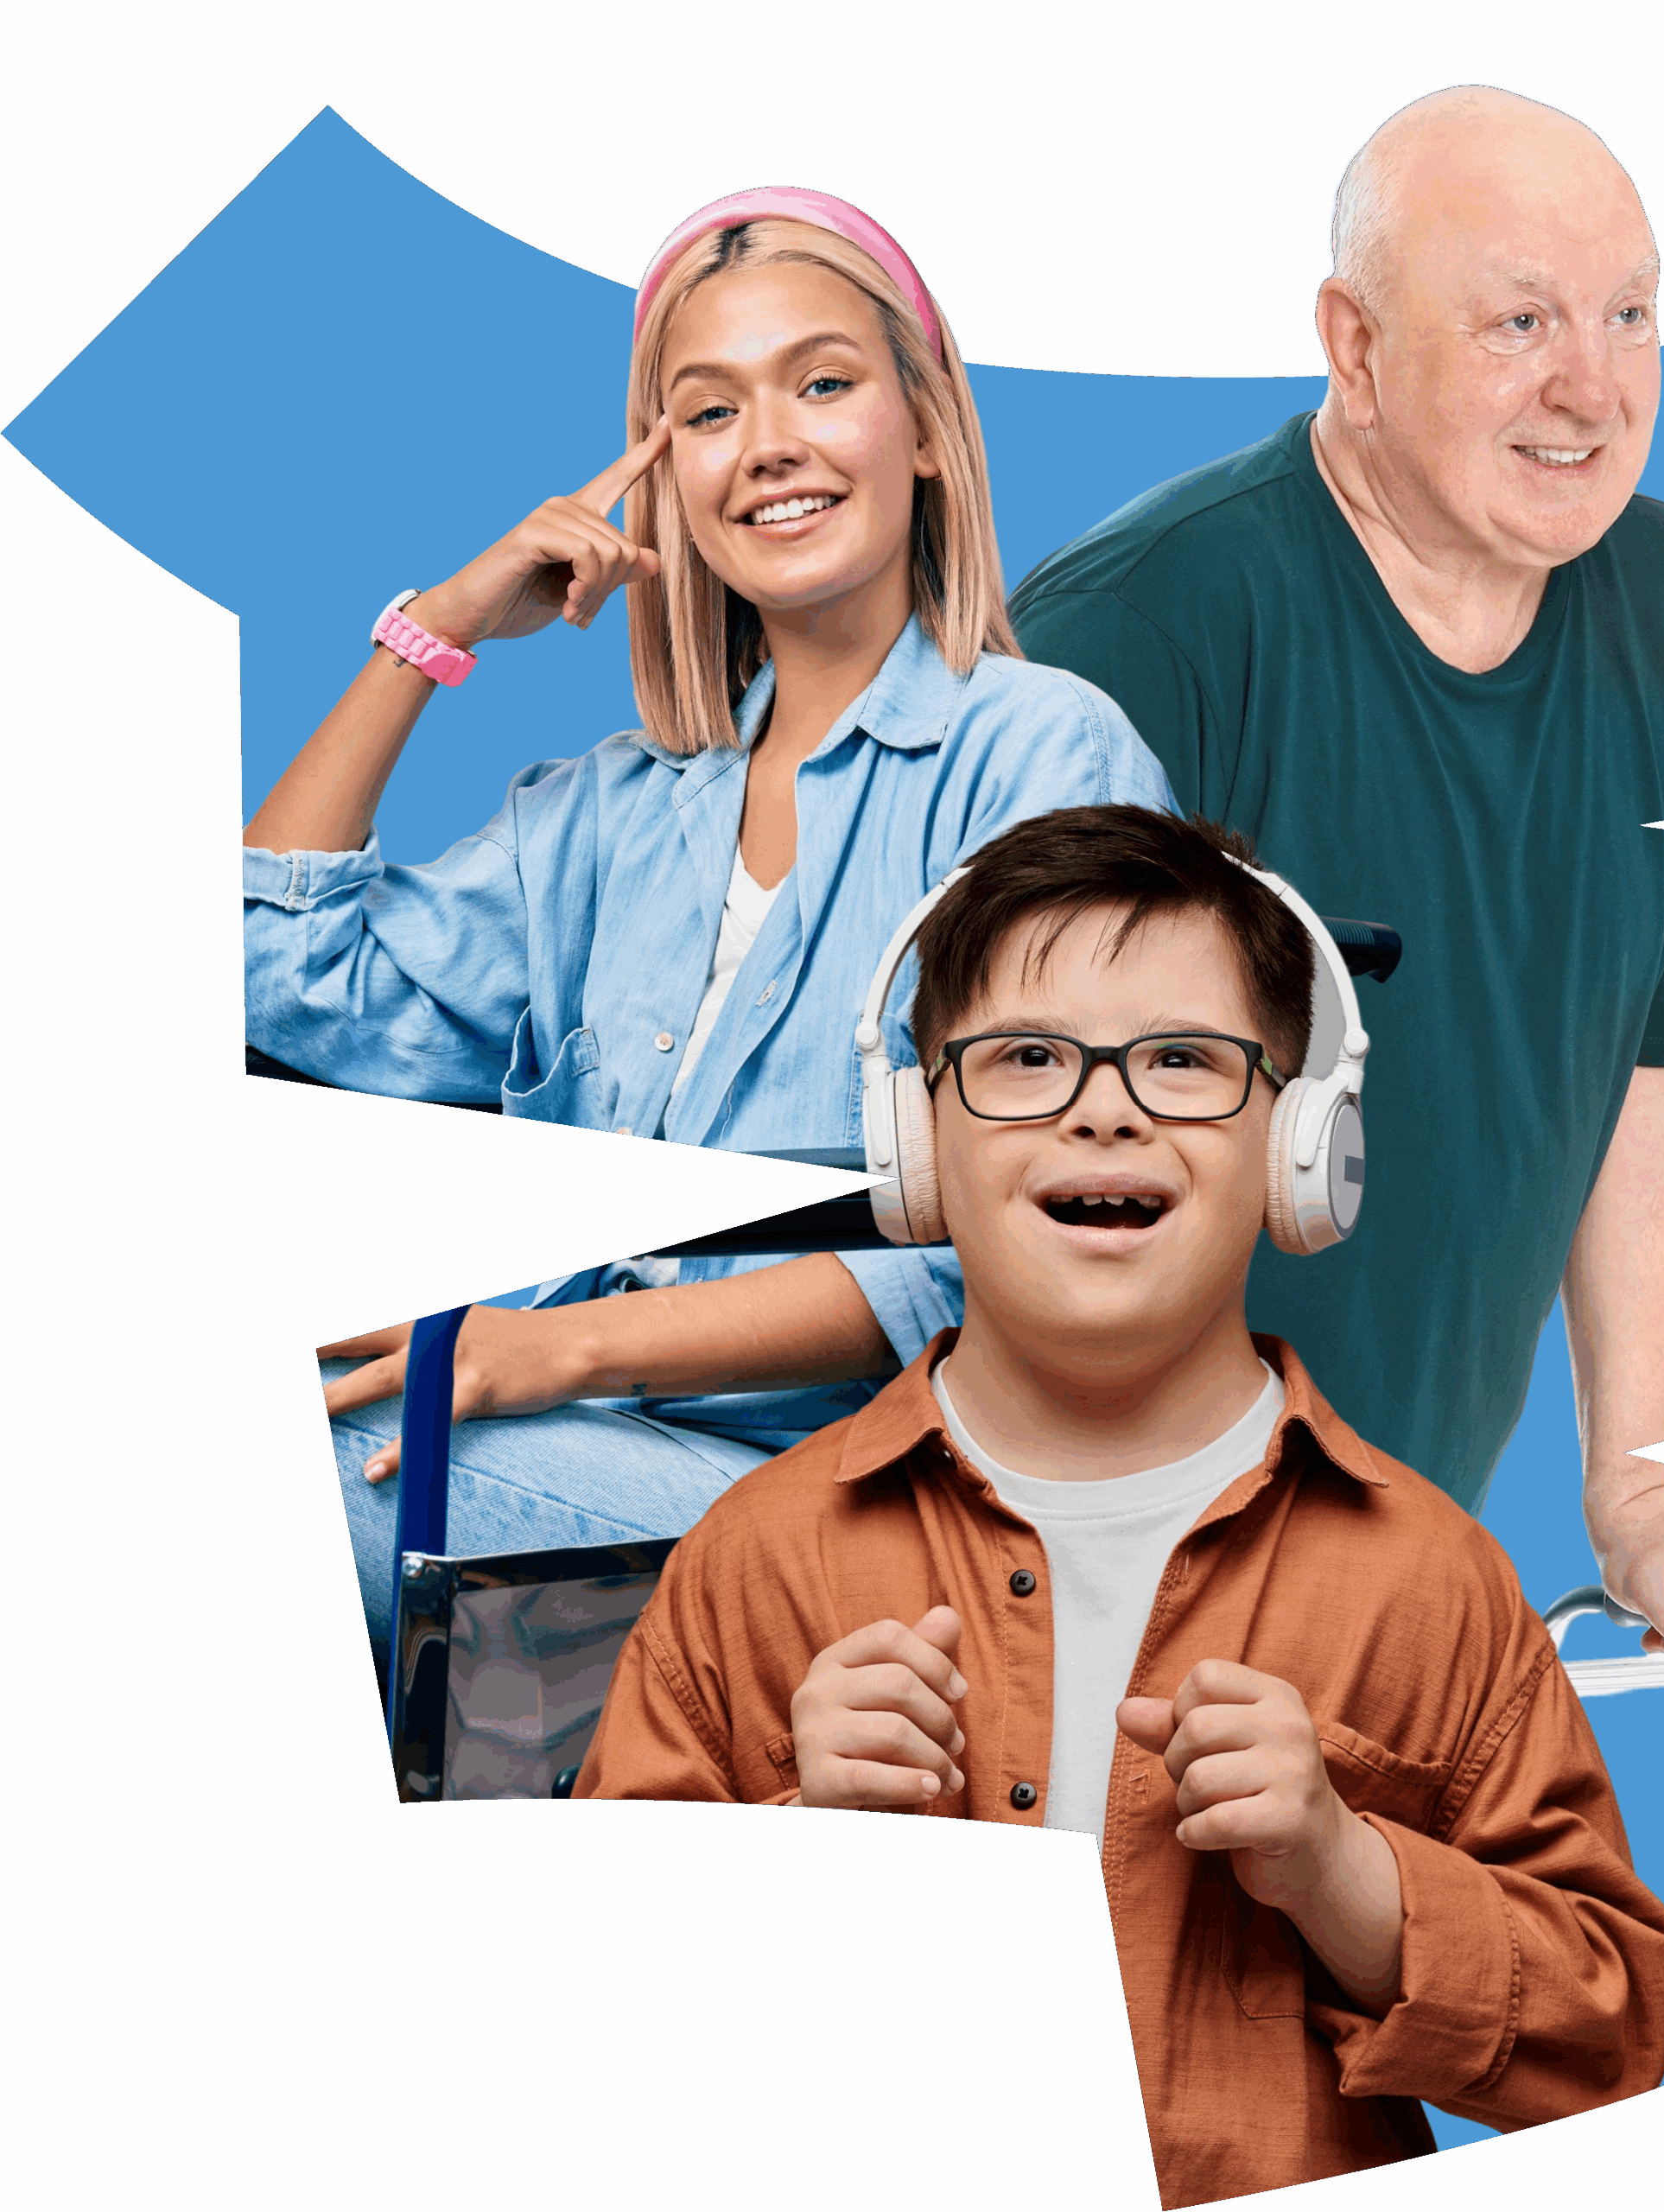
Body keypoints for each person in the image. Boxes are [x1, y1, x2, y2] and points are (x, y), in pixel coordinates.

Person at [575, 804, 1664, 2211]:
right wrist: (796, 1859)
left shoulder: (1431, 1579)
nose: (1104, 1109)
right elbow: (590, 2047)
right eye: (1027, 1059)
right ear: (914, 1140)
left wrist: (1344, 1872)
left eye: (1182, 1060)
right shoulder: (758, 1559)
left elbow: (1612, 2042)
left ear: (1299, 1142)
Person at [241, 189, 1172, 1656]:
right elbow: (278, 977)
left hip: (894, 1508)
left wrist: (547, 1352)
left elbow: (1023, 1237)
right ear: (665, 475)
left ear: (927, 429)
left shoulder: (1044, 757)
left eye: (823, 383)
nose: (771, 445)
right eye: (711, 411)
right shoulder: (606, 818)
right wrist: (437, 632)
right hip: (609, 1460)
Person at [1008, 88, 1664, 1659]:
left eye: (1631, 314)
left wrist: (1631, 1486)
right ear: (1356, 350)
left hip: (1381, 1573)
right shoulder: (1138, 638)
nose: (1591, 388)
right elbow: (972, 1160)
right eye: (1520, 322)